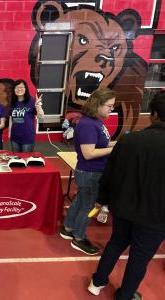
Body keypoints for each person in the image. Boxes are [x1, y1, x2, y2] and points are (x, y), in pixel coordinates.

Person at [87, 91, 165, 300]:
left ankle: (97, 282)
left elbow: (110, 174)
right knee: (139, 258)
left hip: (124, 207)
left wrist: (102, 200)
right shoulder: (131, 140)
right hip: (156, 216)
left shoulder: (130, 141)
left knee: (116, 243)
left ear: (153, 114)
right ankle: (125, 295)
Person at [59, 88, 116, 255]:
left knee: (80, 201)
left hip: (91, 171)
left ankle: (68, 228)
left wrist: (119, 143)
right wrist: (114, 149)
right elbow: (89, 153)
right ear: (97, 104)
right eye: (109, 106)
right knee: (88, 205)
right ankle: (79, 237)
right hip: (91, 172)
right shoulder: (88, 124)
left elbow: (101, 144)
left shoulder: (96, 121)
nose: (111, 109)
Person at [8, 79, 44, 152]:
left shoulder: (32, 101)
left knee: (26, 159)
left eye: (21, 87)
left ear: (26, 89)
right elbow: (11, 119)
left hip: (27, 137)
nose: (19, 89)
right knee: (16, 159)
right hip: (15, 137)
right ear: (14, 90)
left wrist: (38, 106)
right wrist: (9, 133)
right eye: (17, 87)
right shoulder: (13, 102)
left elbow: (41, 116)